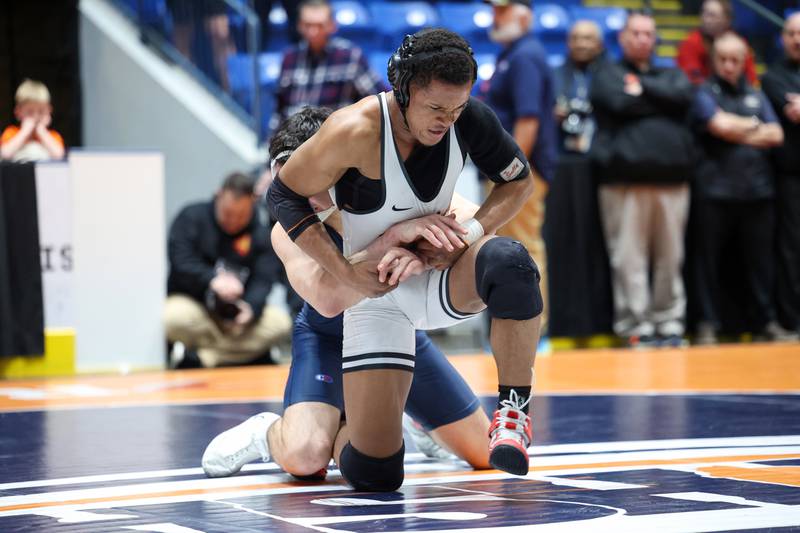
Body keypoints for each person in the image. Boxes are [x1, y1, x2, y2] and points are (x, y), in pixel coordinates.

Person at [267, 28, 543, 492]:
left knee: (508, 262)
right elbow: (332, 298)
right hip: (348, 323)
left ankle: (512, 408)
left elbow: (489, 212)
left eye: (454, 111)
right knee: (354, 468)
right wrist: (384, 244)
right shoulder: (341, 153)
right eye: (437, 110)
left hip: (414, 303)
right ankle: (282, 432)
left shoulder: (461, 122)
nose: (445, 121)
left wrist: (458, 237)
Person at [202, 107, 491, 480]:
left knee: (487, 453)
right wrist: (392, 240)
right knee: (306, 457)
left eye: (303, 180)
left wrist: (441, 240)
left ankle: (406, 422)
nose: (295, 197)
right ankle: (267, 433)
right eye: (284, 184)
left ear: (332, 164)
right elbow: (328, 299)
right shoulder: (285, 228)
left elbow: (478, 223)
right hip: (328, 339)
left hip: (396, 337)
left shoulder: (389, 194)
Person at [590, 11, 695, 347]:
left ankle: (669, 321)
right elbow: (617, 101)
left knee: (671, 257)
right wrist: (660, 100)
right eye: (635, 33)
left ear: (655, 39)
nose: (642, 39)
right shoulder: (607, 73)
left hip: (672, 180)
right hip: (623, 181)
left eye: (648, 34)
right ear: (622, 37)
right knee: (628, 256)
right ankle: (635, 324)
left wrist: (644, 90)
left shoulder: (671, 72)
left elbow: (684, 98)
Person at [691, 33, 798, 343]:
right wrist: (752, 126)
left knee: (761, 264)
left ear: (744, 61)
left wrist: (735, 128)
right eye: (723, 59)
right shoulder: (703, 91)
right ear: (714, 60)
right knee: (708, 264)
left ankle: (765, 321)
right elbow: (717, 125)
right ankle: (707, 323)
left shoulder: (755, 92)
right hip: (715, 191)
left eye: (735, 59)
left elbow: (777, 134)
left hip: (758, 192)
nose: (728, 65)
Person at [481, 0, 557, 330]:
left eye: (502, 10)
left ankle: (533, 328)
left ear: (524, 16)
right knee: (515, 246)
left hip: (519, 172)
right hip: (510, 170)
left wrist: (514, 173)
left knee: (523, 247)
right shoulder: (513, 53)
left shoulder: (524, 56)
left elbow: (529, 119)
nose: (495, 16)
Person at [164, 172, 292, 368]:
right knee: (172, 317)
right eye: (227, 213)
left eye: (241, 215)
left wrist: (250, 308)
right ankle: (243, 354)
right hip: (199, 312)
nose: (232, 221)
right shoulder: (191, 217)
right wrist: (212, 279)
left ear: (253, 202)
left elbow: (264, 279)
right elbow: (181, 261)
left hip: (239, 321)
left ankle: (206, 357)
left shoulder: (261, 235)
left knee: (280, 323)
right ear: (218, 195)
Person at [271, 0, 386, 130]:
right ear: (299, 26)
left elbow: (379, 101)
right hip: (295, 143)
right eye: (308, 25)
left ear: (332, 25)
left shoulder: (350, 57)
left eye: (319, 25)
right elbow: (279, 112)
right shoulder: (289, 58)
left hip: (335, 141)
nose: (313, 31)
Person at [761, 13, 800, 337]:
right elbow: (792, 112)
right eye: (791, 33)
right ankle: (792, 320)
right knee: (792, 248)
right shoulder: (773, 77)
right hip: (790, 176)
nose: (797, 39)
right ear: (782, 38)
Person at [676, 0, 757, 86]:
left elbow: (751, 78)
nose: (706, 19)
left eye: (712, 15)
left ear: (727, 19)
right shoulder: (691, 42)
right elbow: (690, 79)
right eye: (704, 13)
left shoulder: (738, 44)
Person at [1, 79, 65, 162]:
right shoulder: (11, 132)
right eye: (30, 112)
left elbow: (59, 155)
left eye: (41, 111)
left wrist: (41, 131)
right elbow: (5, 154)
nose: (36, 116)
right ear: (18, 112)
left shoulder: (52, 136)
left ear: (49, 111)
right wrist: (25, 132)